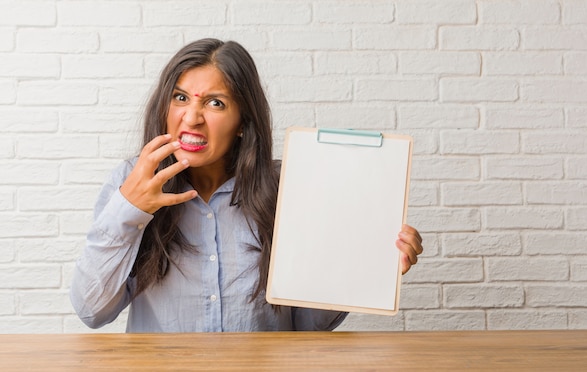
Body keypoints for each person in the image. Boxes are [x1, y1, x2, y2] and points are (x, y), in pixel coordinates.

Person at [70, 38, 423, 333]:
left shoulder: (288, 187)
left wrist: (364, 265)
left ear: (242, 121)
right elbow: (92, 311)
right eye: (181, 98)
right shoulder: (131, 182)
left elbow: (308, 324)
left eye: (214, 103)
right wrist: (129, 209)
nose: (191, 117)